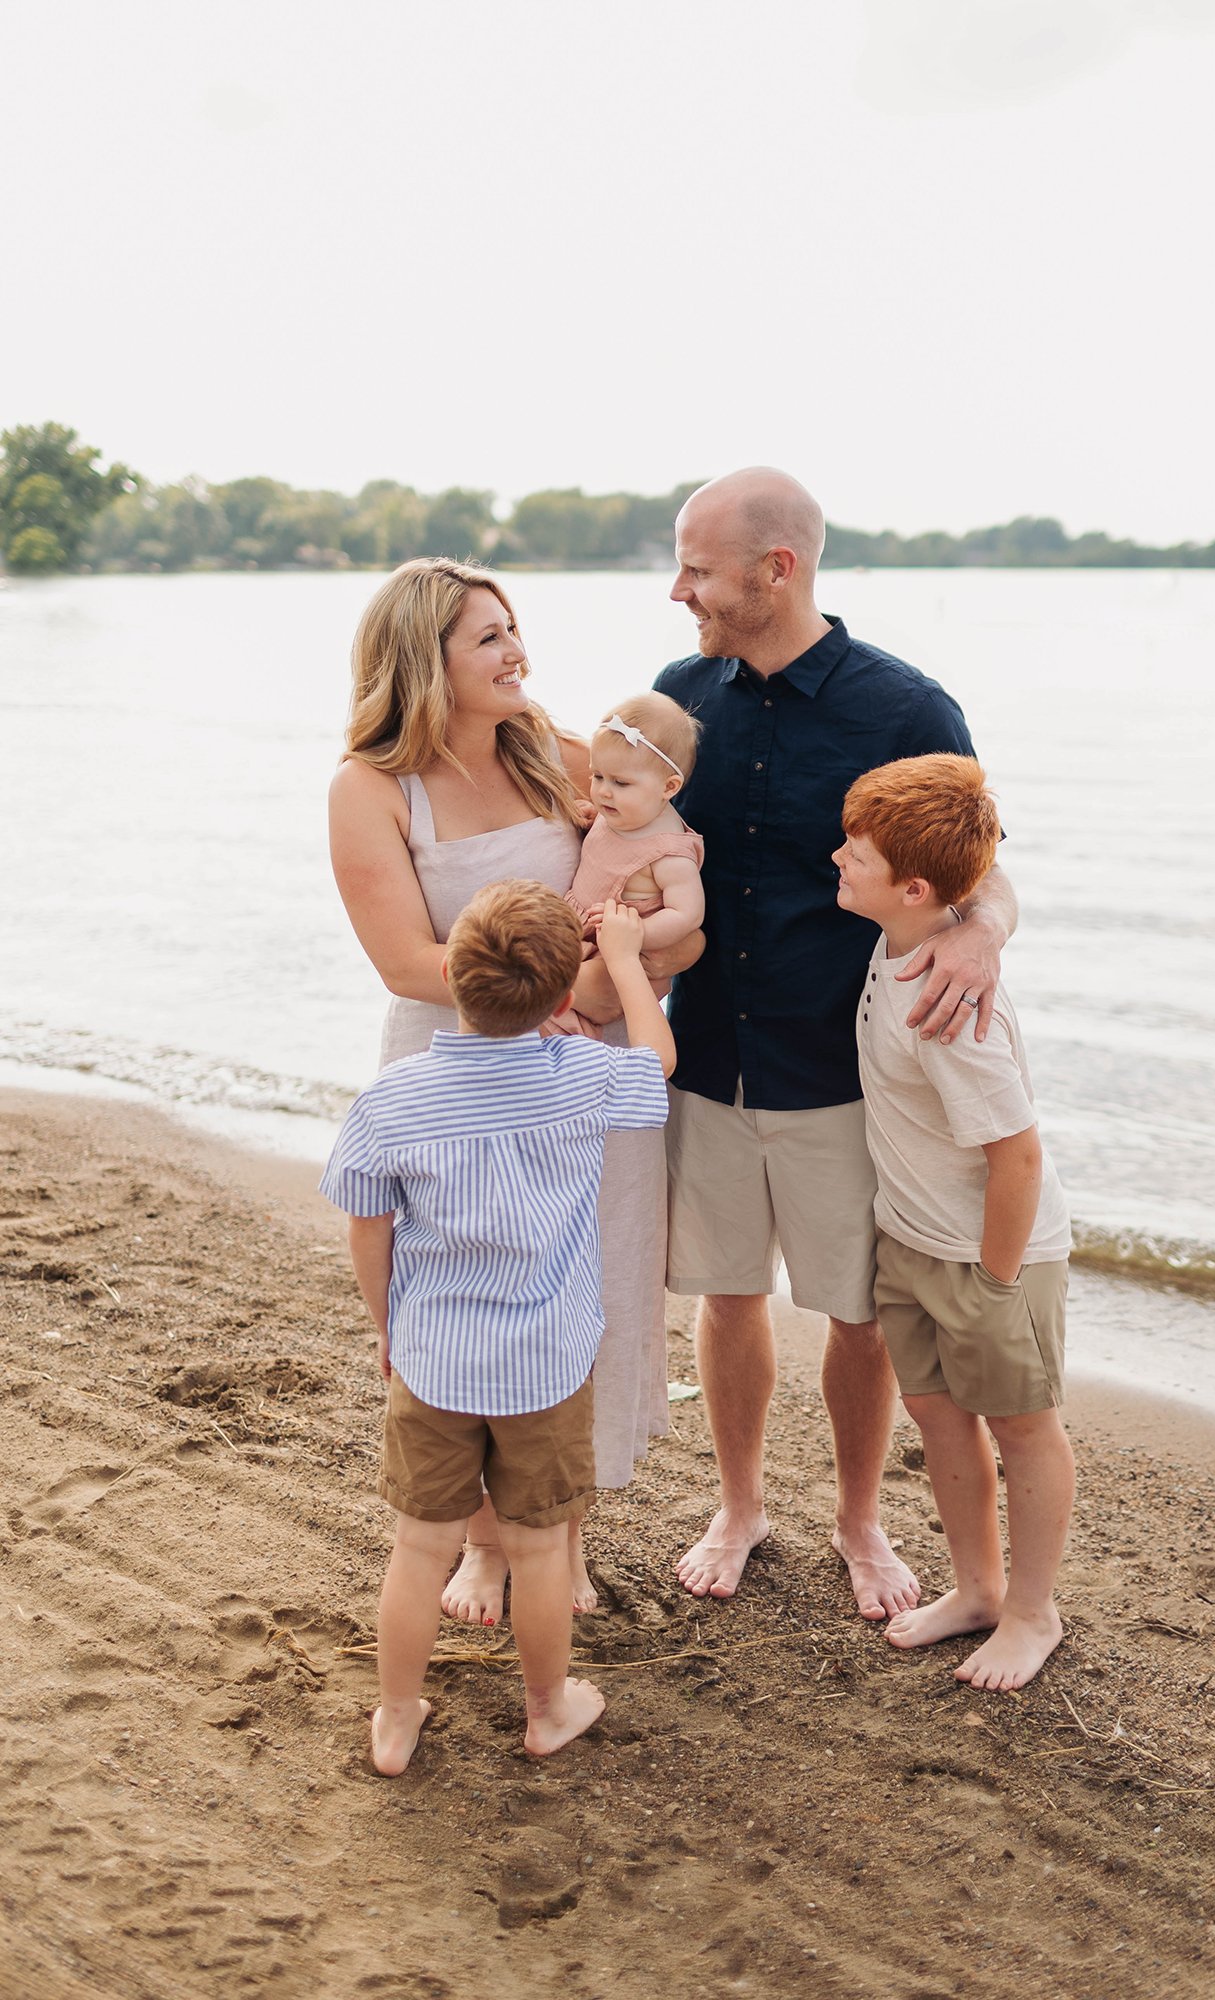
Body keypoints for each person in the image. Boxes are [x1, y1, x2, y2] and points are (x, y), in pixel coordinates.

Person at [654, 468, 1019, 1614]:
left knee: (856, 1312)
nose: (679, 591)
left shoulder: (906, 709)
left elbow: (985, 865)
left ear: (779, 569)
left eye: (699, 569)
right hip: (706, 1056)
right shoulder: (676, 695)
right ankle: (740, 1504)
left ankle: (859, 1521)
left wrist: (983, 936)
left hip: (846, 1071)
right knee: (724, 1296)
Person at [329, 558, 699, 1624]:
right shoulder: (369, 787)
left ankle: (557, 1530)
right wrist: (543, 984)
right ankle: (483, 1544)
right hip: (456, 1074)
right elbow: (403, 958)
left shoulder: (559, 751)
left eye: (513, 626)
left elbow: (657, 851)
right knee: (464, 1292)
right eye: (487, 637)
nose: (515, 651)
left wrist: (662, 946)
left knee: (585, 1292)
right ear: (422, 658)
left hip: (576, 1073)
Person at [321, 879, 676, 1770]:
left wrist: (389, 1329)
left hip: (433, 1360)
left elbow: (369, 1227)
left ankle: (396, 1716)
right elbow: (657, 1063)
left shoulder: (393, 1098)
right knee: (539, 1548)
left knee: (419, 1548)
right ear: (562, 1000)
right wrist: (627, 965)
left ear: (452, 974)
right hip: (546, 1364)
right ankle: (547, 1708)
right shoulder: (581, 1077)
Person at [834, 755, 1074, 1689]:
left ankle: (1030, 1611)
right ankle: (977, 1590)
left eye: (853, 853)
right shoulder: (899, 937)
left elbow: (1016, 1154)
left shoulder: (952, 1011)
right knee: (936, 1418)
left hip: (992, 1261)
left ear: (915, 887)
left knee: (1023, 1430)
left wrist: (996, 1282)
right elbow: (982, 881)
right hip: (911, 1243)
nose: (836, 861)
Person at [563, 693, 705, 1022]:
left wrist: (637, 933)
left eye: (620, 782)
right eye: (597, 777)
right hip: (578, 927)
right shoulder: (623, 811)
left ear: (669, 787)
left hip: (617, 950)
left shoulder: (669, 854)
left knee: (569, 1020)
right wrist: (592, 815)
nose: (603, 791)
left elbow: (687, 914)